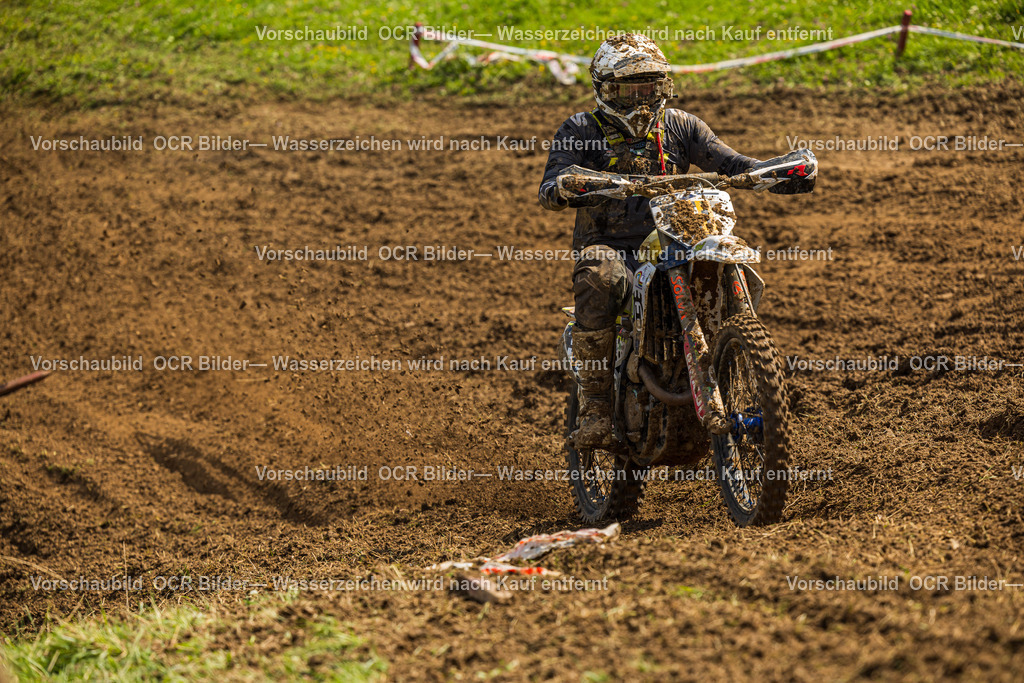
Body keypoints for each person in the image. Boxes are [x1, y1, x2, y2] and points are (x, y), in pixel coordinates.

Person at [538, 33, 765, 450]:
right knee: (598, 276)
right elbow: (551, 184)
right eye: (630, 89)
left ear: (665, 86)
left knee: (733, 262)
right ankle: (596, 409)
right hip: (614, 247)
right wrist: (570, 184)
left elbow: (731, 162)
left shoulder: (681, 125)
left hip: (681, 235)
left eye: (651, 87)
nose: (642, 99)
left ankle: (746, 368)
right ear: (605, 90)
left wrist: (774, 169)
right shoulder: (581, 129)